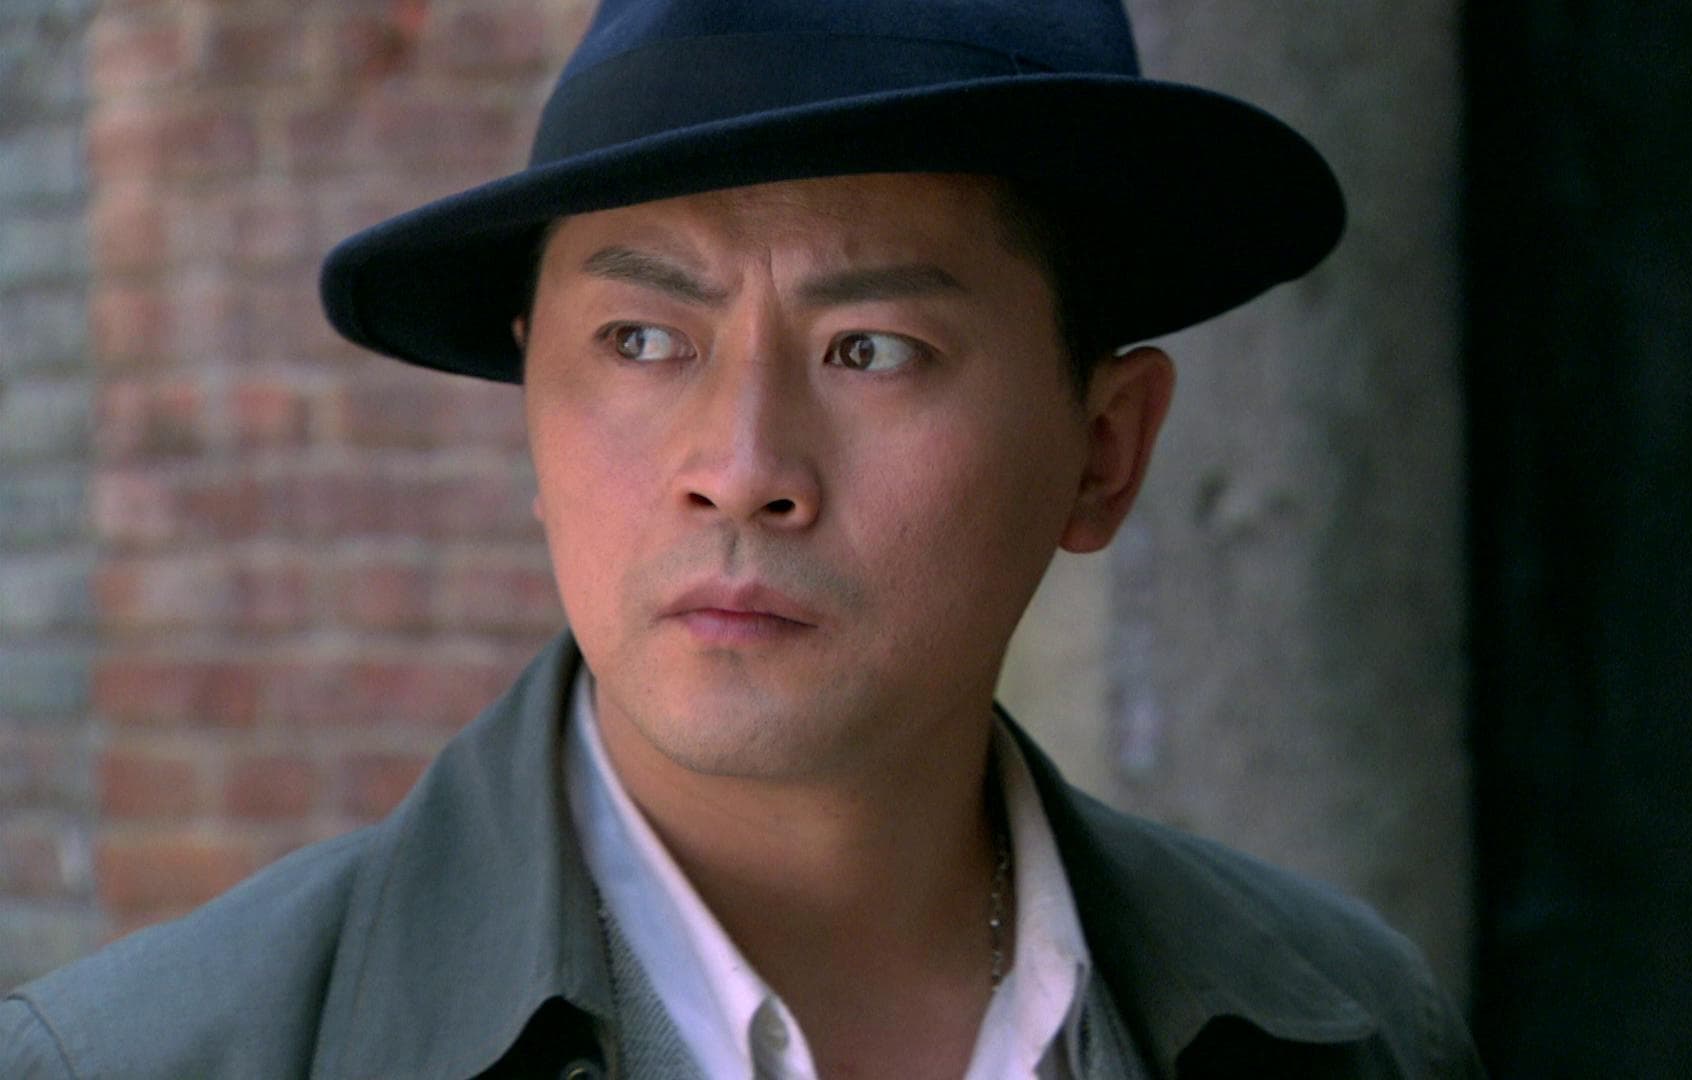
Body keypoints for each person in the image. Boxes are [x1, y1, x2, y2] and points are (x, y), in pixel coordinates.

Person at [1, 0, 1484, 1076]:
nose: (741, 470)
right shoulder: (157, 1057)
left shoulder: (1343, 1030)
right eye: (643, 339)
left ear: (1103, 453)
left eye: (873, 350)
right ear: (531, 409)